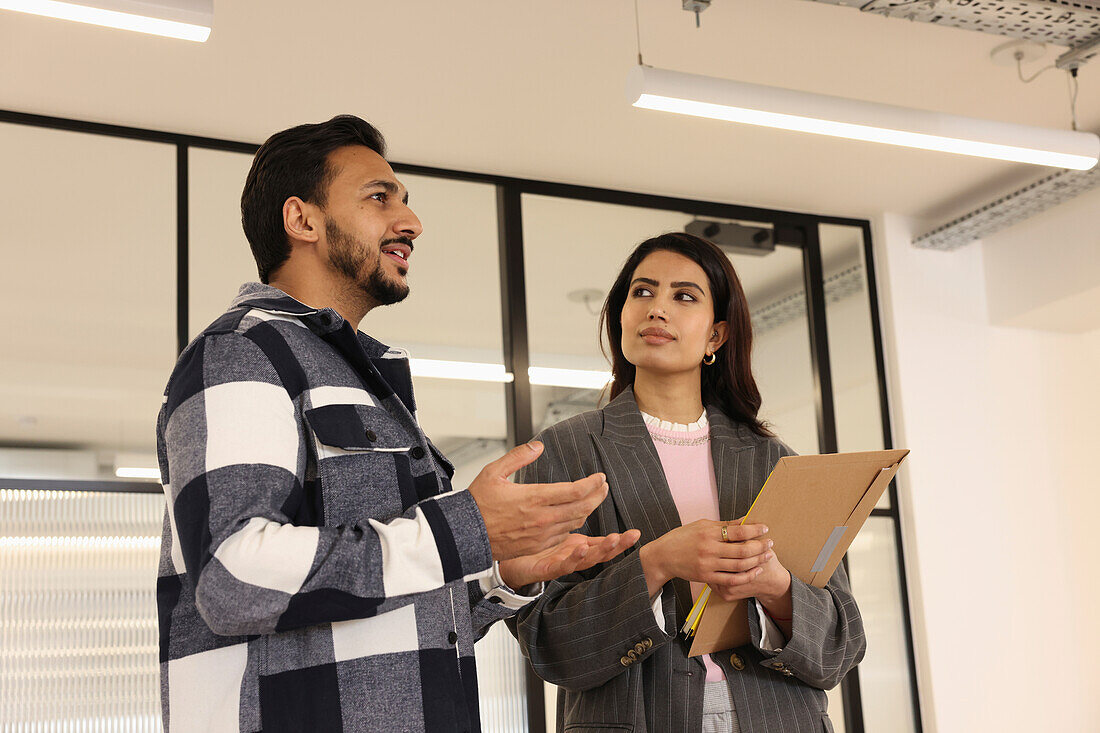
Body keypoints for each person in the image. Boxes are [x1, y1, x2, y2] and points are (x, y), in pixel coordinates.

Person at [155, 115, 639, 733]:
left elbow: (381, 603)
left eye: (405, 201)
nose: (410, 222)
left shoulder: (363, 380)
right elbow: (233, 576)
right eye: (379, 197)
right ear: (302, 220)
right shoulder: (243, 355)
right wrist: (463, 526)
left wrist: (499, 573)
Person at [511, 233, 866, 732]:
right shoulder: (562, 454)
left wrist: (775, 586)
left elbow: (840, 648)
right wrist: (655, 563)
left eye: (683, 296)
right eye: (642, 292)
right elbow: (549, 646)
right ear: (620, 316)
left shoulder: (773, 461)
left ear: (716, 336)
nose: (657, 309)